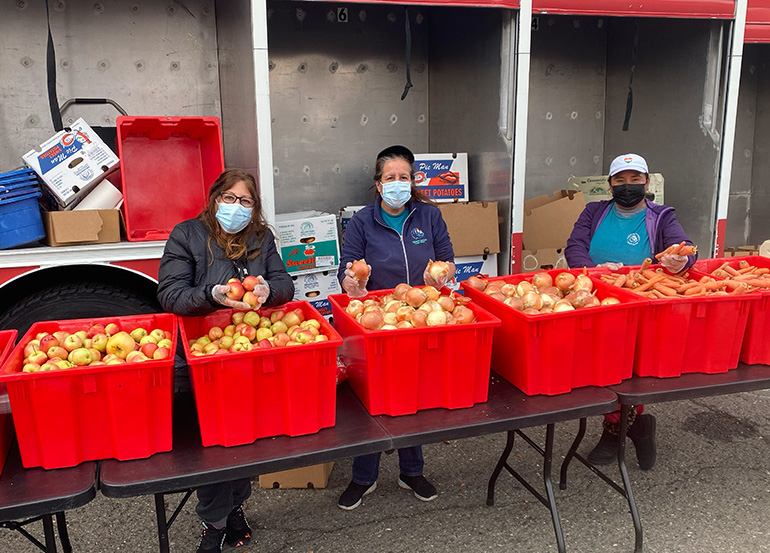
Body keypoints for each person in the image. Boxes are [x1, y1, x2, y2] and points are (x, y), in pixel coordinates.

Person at [157, 169, 294, 553]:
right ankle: (213, 524)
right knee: (215, 448)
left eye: (245, 201)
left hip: (249, 353)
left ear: (254, 208)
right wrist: (211, 294)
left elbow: (285, 283)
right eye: (229, 199)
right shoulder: (186, 235)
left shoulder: (260, 238)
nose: (236, 207)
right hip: (205, 357)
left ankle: (235, 507)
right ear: (215, 199)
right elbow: (169, 294)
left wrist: (270, 290)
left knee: (247, 438)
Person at [336, 145, 456, 510]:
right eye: (390, 178)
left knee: (412, 391)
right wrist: (353, 286)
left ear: (414, 181)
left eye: (404, 177)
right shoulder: (362, 222)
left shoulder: (430, 217)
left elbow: (448, 260)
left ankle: (412, 469)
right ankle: (364, 475)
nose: (398, 184)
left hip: (421, 315)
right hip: (378, 314)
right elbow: (348, 271)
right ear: (378, 184)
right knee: (373, 395)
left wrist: (441, 277)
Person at [565, 153, 698, 471]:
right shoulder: (594, 211)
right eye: (620, 180)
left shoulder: (661, 216)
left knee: (626, 370)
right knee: (599, 365)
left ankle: (614, 432)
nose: (628, 186)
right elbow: (574, 247)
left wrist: (681, 261)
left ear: (646, 182)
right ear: (610, 184)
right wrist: (593, 271)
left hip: (641, 301)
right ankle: (639, 427)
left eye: (635, 179)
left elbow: (683, 247)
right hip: (596, 298)